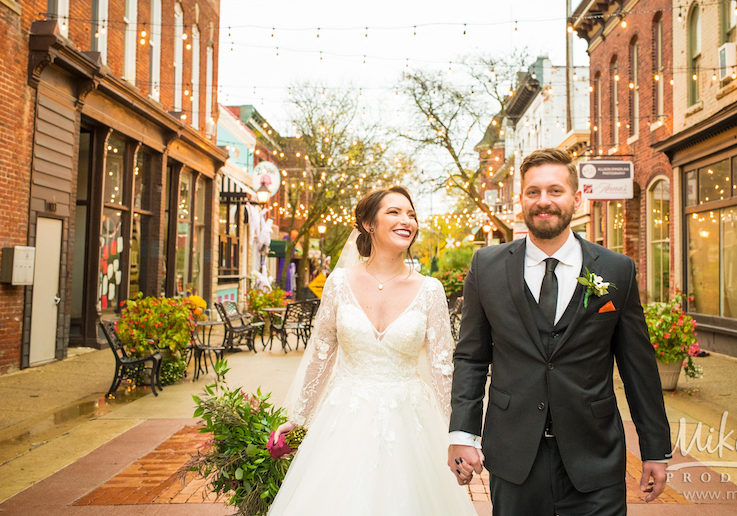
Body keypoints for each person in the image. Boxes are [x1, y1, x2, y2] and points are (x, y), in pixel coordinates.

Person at [448, 148, 672, 516]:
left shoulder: (617, 270)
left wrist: (655, 449)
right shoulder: (486, 267)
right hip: (515, 456)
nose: (543, 201)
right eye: (533, 192)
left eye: (555, 190)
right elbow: (471, 357)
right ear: (521, 199)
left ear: (577, 197)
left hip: (595, 456)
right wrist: (462, 434)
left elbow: (638, 367)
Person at [270, 186, 477, 516]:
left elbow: (443, 369)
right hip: (344, 419)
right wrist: (297, 418)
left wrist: (459, 434)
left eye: (411, 214)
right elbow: (321, 355)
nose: (405, 220)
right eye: (393, 212)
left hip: (411, 422)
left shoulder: (430, 290)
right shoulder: (338, 283)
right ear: (368, 224)